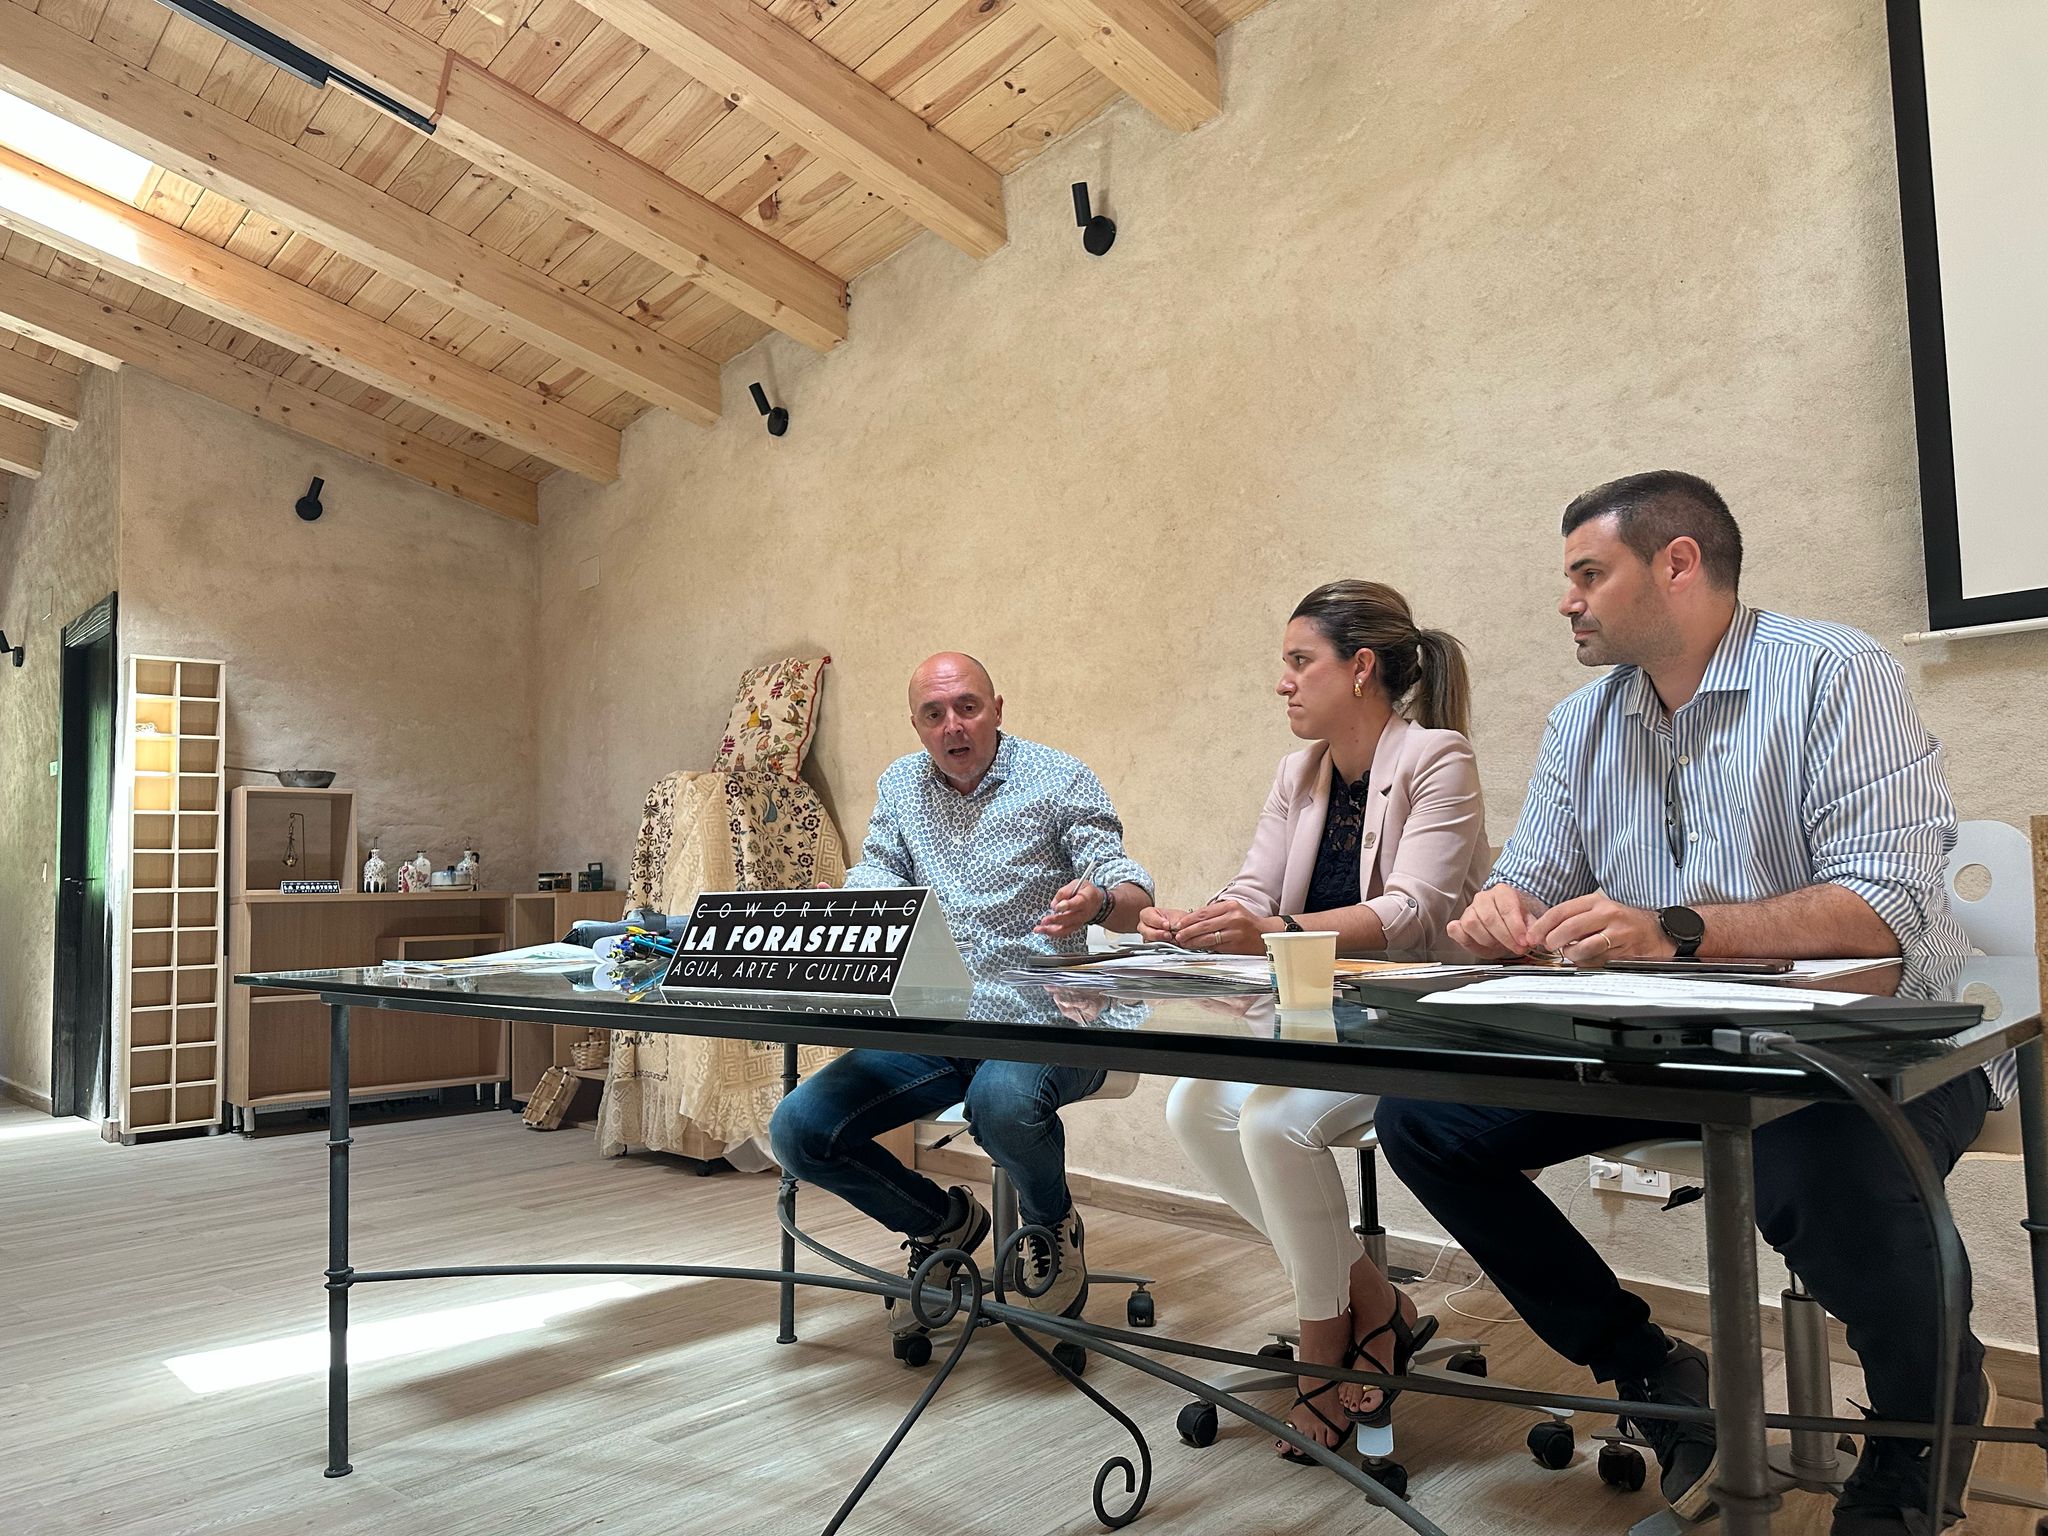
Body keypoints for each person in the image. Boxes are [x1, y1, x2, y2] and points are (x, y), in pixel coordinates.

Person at [1373, 471, 2001, 1534]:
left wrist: (1674, 927)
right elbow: (1531, 881)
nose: (1566, 600)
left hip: (1865, 1040)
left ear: (1676, 564)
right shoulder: (1583, 721)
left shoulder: (1831, 673)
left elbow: (1883, 909)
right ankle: (1648, 1367)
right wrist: (1500, 912)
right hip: (1665, 1042)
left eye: (1587, 574)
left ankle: (1920, 1428)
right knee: (1426, 1120)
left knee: (1815, 1168)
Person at [1146, 580, 1490, 1459]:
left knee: (1270, 1122)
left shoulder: (1437, 758)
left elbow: (1412, 911)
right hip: (1315, 1021)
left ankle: (1323, 1343)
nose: (1283, 682)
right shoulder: (1297, 773)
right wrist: (1200, 921)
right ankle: (1376, 1303)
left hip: (1414, 1024)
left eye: (1301, 662)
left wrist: (1271, 930)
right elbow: (1253, 890)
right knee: (1193, 1104)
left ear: (1360, 667)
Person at [769, 652, 1154, 1324]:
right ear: (916, 725)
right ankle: (942, 1221)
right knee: (799, 1130)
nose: (954, 725)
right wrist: (848, 904)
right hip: (938, 1022)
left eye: (968, 707)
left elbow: (1133, 897)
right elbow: (880, 874)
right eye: (934, 713)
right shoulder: (901, 785)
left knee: (1001, 1100)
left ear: (996, 709)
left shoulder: (1058, 777)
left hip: (1048, 1020)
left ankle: (1050, 1225)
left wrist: (1097, 902)